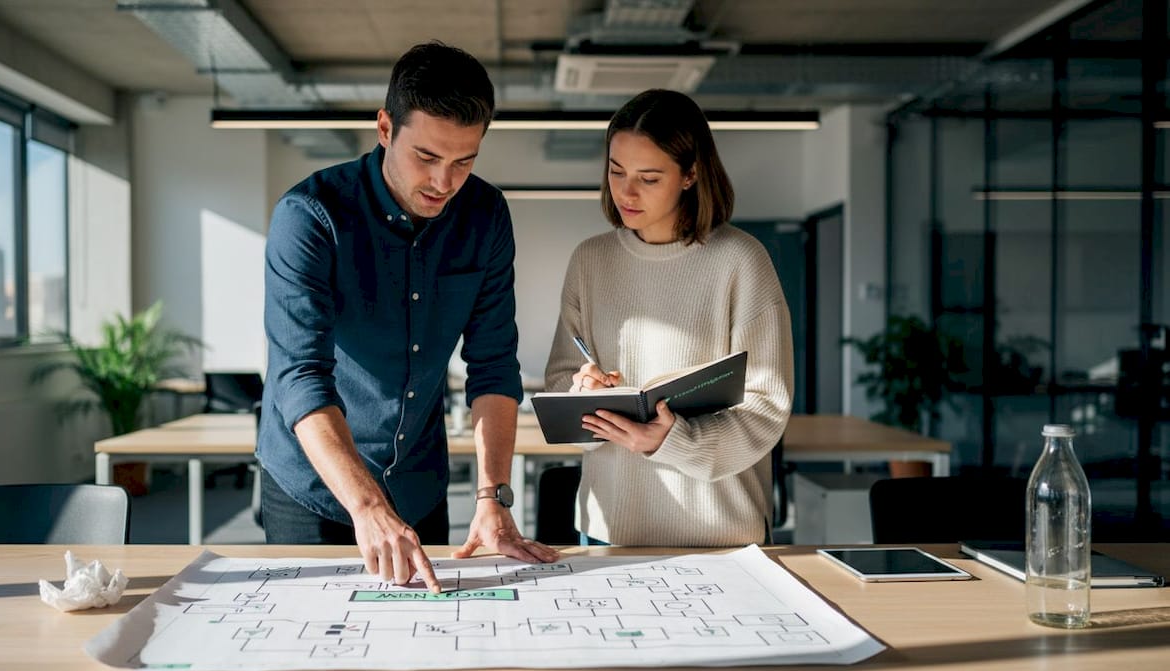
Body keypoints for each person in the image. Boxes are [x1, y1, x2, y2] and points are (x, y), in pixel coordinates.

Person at [258, 41, 559, 592]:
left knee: (429, 630)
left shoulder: (485, 216)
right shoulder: (310, 217)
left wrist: (492, 496)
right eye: (426, 157)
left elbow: (493, 364)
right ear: (384, 128)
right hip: (315, 486)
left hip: (418, 484)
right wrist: (368, 506)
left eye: (463, 162)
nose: (444, 182)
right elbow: (299, 375)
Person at [544, 89, 794, 546]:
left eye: (649, 178)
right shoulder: (590, 261)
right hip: (608, 531)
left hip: (720, 536)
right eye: (616, 171)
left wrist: (672, 440)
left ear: (690, 174)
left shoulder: (741, 260)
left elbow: (766, 407)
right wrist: (582, 397)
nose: (626, 191)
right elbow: (561, 382)